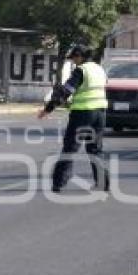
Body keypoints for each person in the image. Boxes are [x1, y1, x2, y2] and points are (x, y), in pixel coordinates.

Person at [38, 44, 110, 192]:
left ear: (79, 57)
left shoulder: (81, 70)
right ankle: (103, 184)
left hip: (83, 114)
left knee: (70, 148)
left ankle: (58, 183)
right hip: (100, 113)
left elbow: (66, 92)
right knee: (95, 150)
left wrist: (48, 109)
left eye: (74, 59)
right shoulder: (99, 69)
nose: (73, 62)